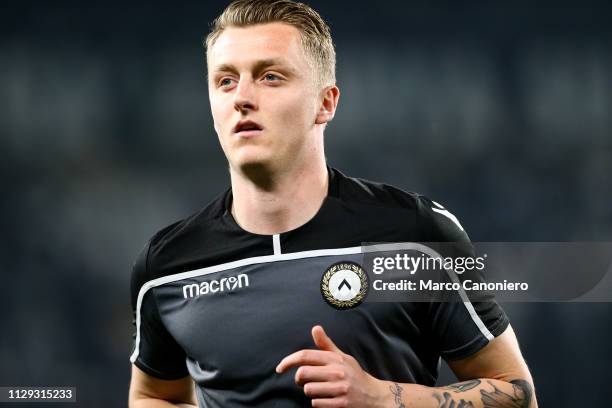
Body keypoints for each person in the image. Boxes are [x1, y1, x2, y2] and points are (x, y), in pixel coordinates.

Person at [128, 0, 537, 407]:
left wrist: (381, 397)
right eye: (226, 81)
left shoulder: (415, 236)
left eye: (270, 77)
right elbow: (152, 396)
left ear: (326, 103)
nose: (243, 98)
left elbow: (517, 393)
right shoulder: (166, 266)